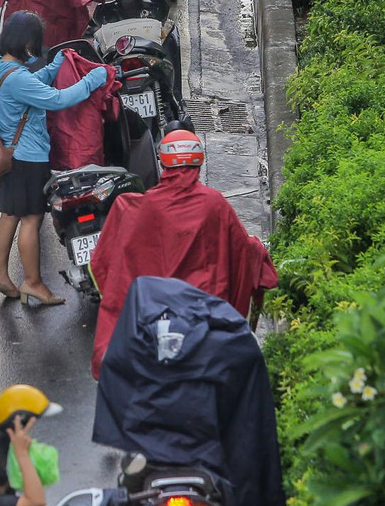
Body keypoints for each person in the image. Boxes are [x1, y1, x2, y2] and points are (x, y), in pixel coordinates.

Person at [89, 130, 278, 378]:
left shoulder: (139, 208)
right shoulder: (214, 204)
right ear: (199, 161)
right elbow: (241, 248)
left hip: (152, 318)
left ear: (162, 163)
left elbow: (105, 261)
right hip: (203, 319)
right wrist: (257, 251)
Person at [0, 12, 113, 306]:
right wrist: (94, 78)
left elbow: (29, 83)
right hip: (28, 159)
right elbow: (57, 99)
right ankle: (33, 284)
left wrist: (54, 66)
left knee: (8, 216)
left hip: (8, 154)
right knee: (31, 219)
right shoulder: (18, 80)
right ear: (26, 42)